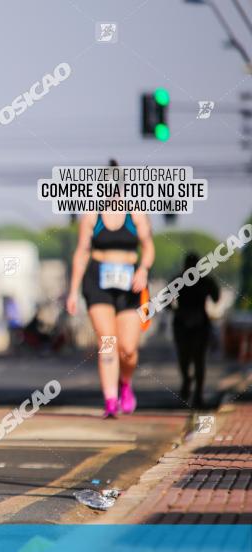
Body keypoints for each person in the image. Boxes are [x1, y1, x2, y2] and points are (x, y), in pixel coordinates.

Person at [66, 161, 154, 418]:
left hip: (130, 283)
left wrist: (144, 269)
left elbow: (148, 247)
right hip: (98, 281)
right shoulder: (92, 215)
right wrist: (72, 291)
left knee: (127, 348)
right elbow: (81, 252)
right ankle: (110, 401)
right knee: (107, 341)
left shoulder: (135, 213)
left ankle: (125, 384)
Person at [169, 252, 220, 409]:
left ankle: (197, 392)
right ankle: (188, 382)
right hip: (185, 323)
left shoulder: (204, 280)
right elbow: (166, 300)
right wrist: (177, 311)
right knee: (187, 358)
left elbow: (216, 296)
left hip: (197, 323)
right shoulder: (179, 280)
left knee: (197, 359)